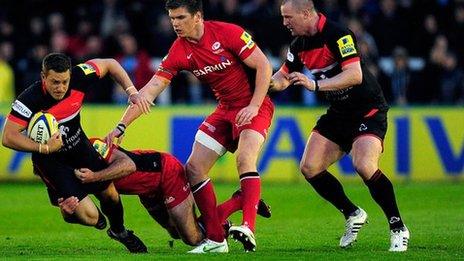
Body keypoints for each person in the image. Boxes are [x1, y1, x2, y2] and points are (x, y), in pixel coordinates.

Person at [106, 0, 274, 253]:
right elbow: (151, 90)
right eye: (172, 18)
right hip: (225, 109)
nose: (175, 23)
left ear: (198, 17)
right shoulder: (179, 50)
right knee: (193, 169)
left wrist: (253, 105)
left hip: (254, 105)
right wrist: (120, 127)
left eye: (181, 17)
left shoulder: (228, 32)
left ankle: (248, 226)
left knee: (245, 158)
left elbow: (263, 65)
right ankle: (217, 240)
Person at [269, 0, 409, 252]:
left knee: (364, 165)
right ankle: (353, 213)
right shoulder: (298, 45)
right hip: (339, 113)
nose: (284, 23)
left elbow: (354, 75)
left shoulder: (338, 34)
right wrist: (263, 83)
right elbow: (282, 76)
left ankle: (398, 226)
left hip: (368, 109)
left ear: (305, 13)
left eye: (288, 17)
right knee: (309, 167)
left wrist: (314, 85)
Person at [1, 53, 150, 253]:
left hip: (79, 146)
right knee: (90, 217)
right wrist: (44, 148)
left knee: (110, 195)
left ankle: (120, 231)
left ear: (71, 75)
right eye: (54, 82)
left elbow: (111, 64)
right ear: (43, 77)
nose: (60, 88)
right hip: (50, 161)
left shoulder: (81, 75)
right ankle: (68, 213)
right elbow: (8, 136)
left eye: (64, 82)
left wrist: (131, 92)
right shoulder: (29, 99)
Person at [58, 138, 271, 247]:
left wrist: (95, 177)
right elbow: (76, 212)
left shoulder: (93, 145)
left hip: (164, 172)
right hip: (147, 190)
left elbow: (129, 165)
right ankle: (229, 216)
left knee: (193, 238)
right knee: (175, 233)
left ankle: (240, 200)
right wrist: (67, 212)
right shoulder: (61, 172)